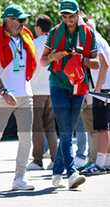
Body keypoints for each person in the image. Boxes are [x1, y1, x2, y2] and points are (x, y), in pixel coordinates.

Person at [40, 0, 99, 188]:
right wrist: (52, 57)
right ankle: (72, 173)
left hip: (79, 86)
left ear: (78, 13)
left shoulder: (89, 33)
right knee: (66, 131)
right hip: (57, 84)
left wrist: (82, 59)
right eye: (64, 17)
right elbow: (42, 61)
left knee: (67, 132)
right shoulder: (54, 32)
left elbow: (96, 63)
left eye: (71, 16)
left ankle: (56, 173)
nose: (68, 20)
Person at [0, 4, 36, 190]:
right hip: (2, 96)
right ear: (8, 20)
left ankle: (20, 177)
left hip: (25, 95)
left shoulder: (26, 38)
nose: (23, 23)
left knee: (26, 138)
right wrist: (3, 91)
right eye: (20, 20)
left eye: (24, 20)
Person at [79, 19, 110, 174]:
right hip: (105, 88)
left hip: (102, 89)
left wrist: (97, 89)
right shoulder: (101, 38)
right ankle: (106, 162)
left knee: (102, 128)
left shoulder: (94, 40)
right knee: (105, 128)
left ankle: (99, 164)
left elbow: (103, 64)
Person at [28, 14, 57, 171]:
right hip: (52, 89)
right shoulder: (54, 44)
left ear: (38, 27)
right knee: (50, 125)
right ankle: (55, 160)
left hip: (36, 89)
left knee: (37, 126)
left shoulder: (33, 44)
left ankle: (37, 161)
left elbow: (29, 68)